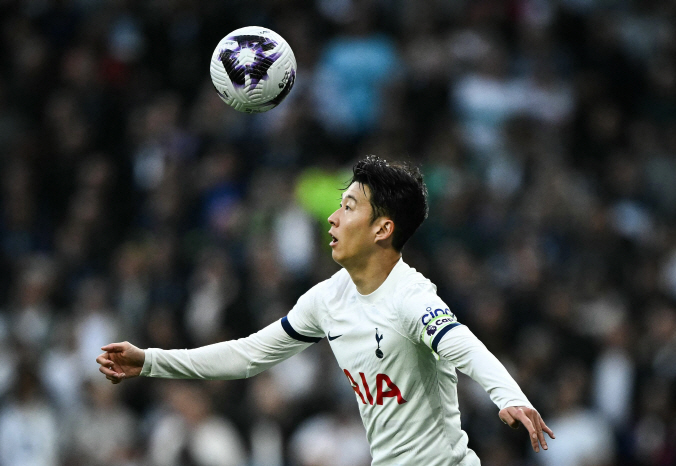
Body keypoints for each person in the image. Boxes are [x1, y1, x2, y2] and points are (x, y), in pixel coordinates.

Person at [97, 155, 554, 465]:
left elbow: (462, 344)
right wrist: (151, 361)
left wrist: (508, 395)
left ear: (383, 229)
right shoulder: (326, 299)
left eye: (349, 207)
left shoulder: (412, 299)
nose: (333, 218)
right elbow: (247, 355)